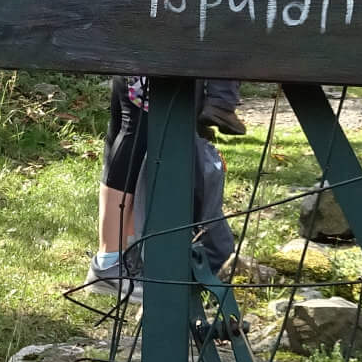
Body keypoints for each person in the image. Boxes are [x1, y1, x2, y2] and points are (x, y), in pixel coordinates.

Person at [85, 78, 244, 297]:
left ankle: (124, 257)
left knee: (128, 127)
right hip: (151, 54)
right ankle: (110, 262)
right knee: (135, 131)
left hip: (142, 52)